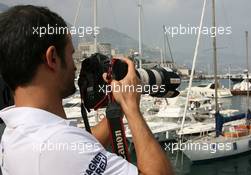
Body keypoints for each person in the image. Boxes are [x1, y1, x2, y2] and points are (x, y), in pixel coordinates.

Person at [0, 5, 174, 175]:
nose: (76, 68)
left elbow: (80, 150)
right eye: (71, 54)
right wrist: (132, 108)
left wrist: (118, 104)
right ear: (52, 58)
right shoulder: (53, 145)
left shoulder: (16, 133)